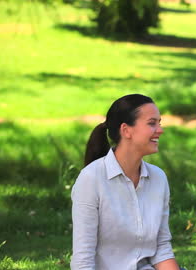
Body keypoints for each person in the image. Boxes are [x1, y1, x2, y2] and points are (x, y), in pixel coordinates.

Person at [71, 94, 181, 270]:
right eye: (152, 123)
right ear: (126, 130)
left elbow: (161, 249)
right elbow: (83, 260)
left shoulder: (158, 178)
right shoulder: (91, 179)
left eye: (159, 123)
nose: (160, 130)